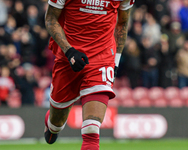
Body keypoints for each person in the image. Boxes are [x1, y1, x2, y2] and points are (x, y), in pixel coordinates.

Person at [44, 0, 133, 149]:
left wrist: (115, 61)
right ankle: (52, 125)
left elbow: (122, 23)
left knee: (91, 128)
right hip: (68, 57)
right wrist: (69, 51)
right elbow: (50, 19)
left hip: (102, 57)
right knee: (56, 124)